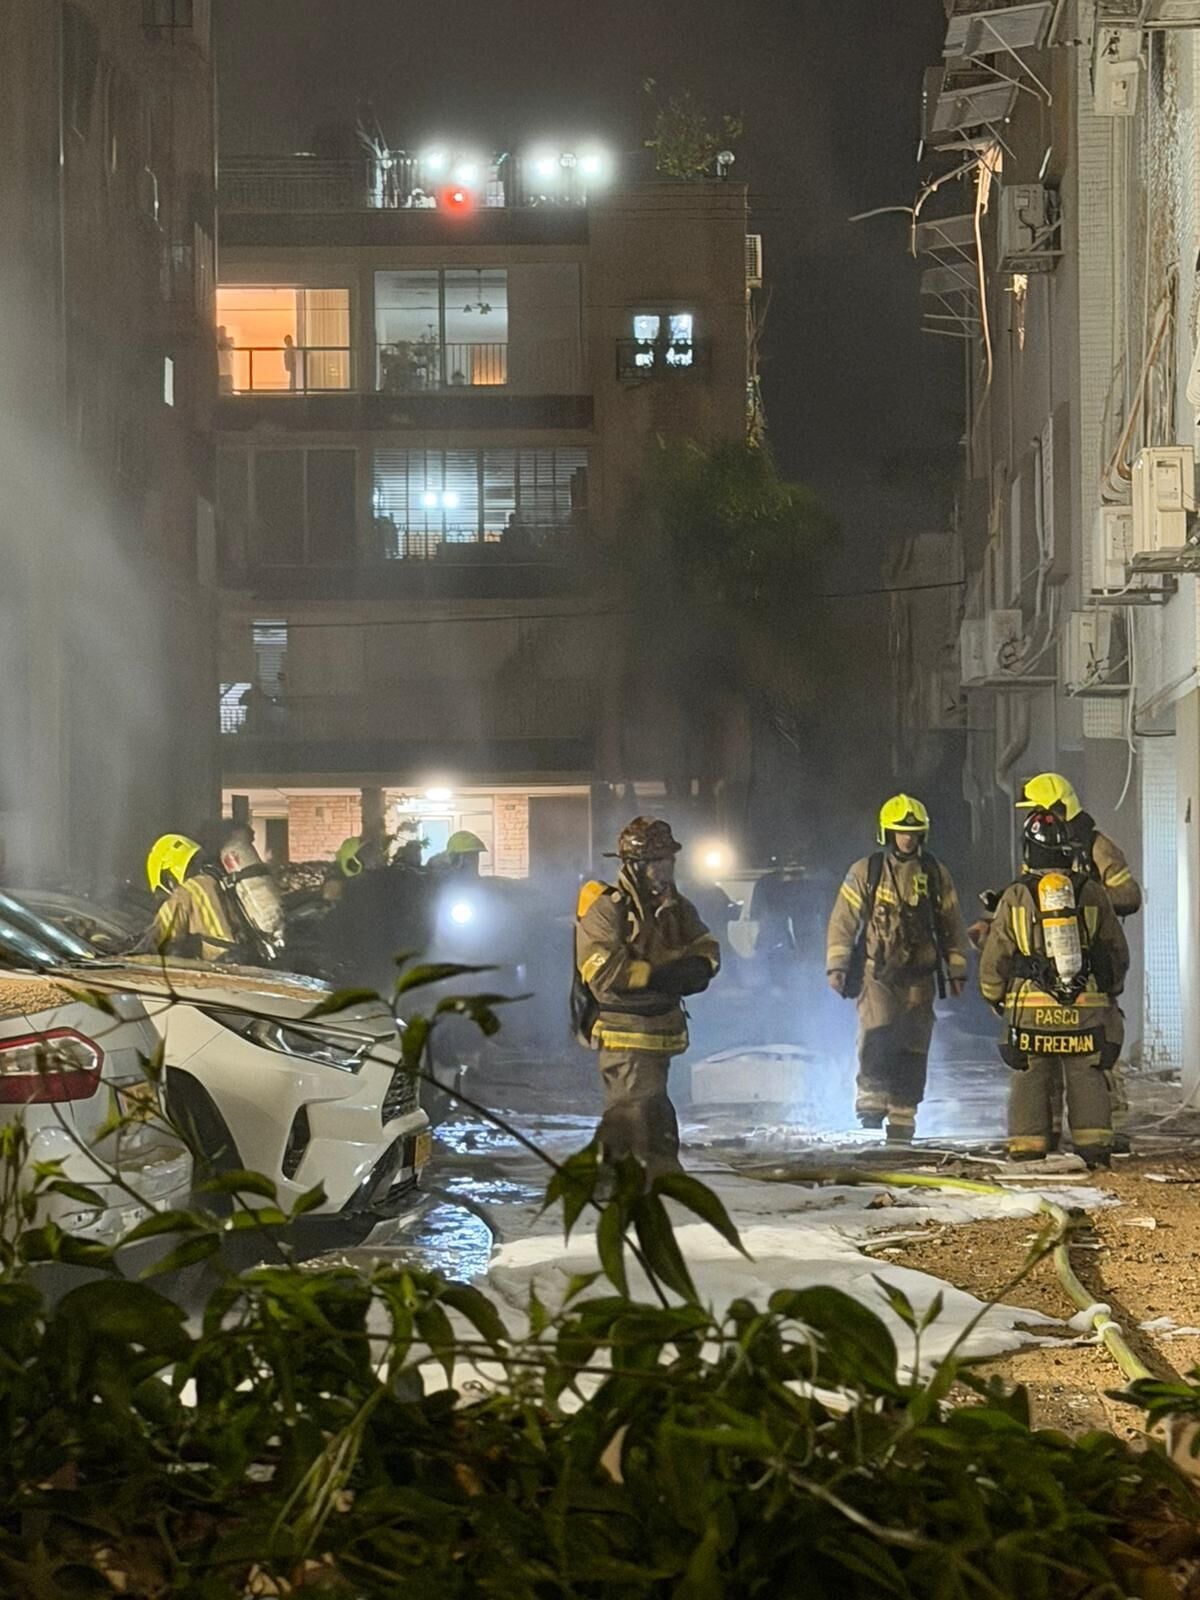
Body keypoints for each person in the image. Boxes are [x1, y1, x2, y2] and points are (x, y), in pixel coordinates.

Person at [979, 809, 1129, 1166]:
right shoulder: (1091, 891)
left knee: (1030, 1073)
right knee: (1087, 1072)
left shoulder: (1015, 895)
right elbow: (1116, 951)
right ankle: (1094, 1146)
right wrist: (1110, 991)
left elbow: (996, 954)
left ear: (1028, 851)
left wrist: (993, 995)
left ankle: (1028, 1146)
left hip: (1031, 1010)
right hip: (1085, 1007)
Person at [575, 817, 720, 1179]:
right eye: (658, 861)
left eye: (669, 860)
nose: (666, 868)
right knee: (634, 1111)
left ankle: (652, 1180)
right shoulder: (608, 907)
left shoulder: (677, 906)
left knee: (651, 1110)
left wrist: (701, 966)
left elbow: (706, 943)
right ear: (635, 865)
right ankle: (622, 1182)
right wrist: (658, 975)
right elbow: (602, 971)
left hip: (661, 1029)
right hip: (623, 1031)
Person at [826, 795, 970, 1145]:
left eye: (913, 833)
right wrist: (837, 965)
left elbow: (951, 923)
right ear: (887, 833)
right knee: (878, 1032)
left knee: (914, 1044)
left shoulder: (934, 873)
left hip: (920, 974)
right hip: (878, 973)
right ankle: (871, 1102)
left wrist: (956, 968)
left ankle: (903, 1114)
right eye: (901, 832)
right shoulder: (868, 871)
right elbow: (843, 920)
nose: (907, 839)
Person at [1015, 772, 1142, 1152]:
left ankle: (1108, 1128)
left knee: (1096, 1051)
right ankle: (1048, 1131)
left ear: (1058, 808)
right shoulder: (1039, 846)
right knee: (1047, 1052)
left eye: (1038, 809)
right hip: (1045, 972)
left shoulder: (1098, 848)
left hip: (1091, 966)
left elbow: (1129, 895)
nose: (1032, 818)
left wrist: (1088, 898)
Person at [135, 834, 246, 963]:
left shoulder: (187, 891)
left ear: (169, 874)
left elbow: (158, 936)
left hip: (226, 964)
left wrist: (129, 955)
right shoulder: (220, 880)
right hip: (250, 957)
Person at [216, 325, 234, 395]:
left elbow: (226, 346)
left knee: (227, 391)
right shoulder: (217, 342)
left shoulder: (229, 341)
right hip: (221, 371)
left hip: (226, 371)